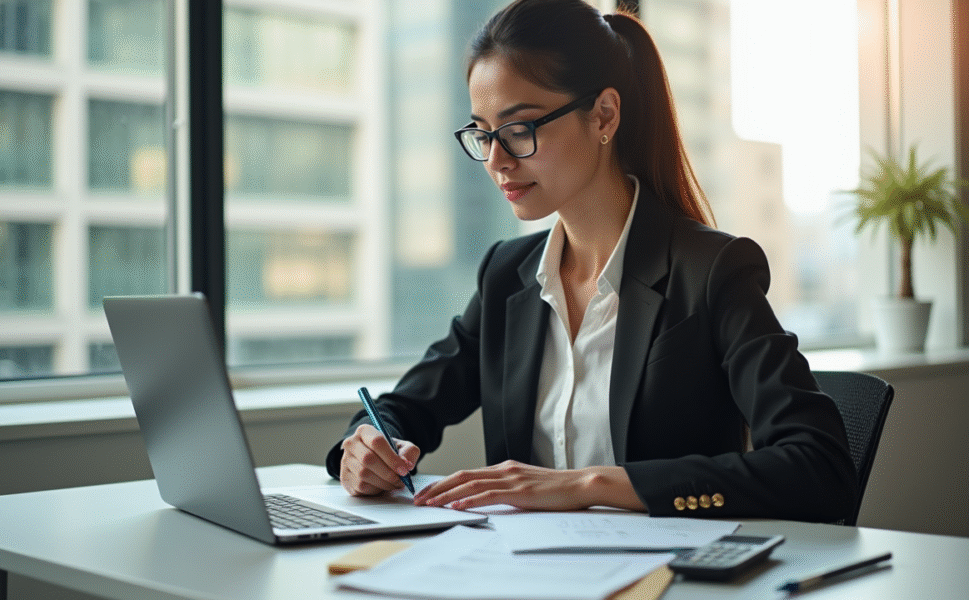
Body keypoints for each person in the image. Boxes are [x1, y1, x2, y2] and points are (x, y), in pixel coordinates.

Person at [325, 0, 858, 522]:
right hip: (523, 573)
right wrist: (368, 447)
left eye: (518, 129)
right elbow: (401, 408)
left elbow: (819, 466)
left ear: (604, 114)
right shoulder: (506, 276)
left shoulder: (711, 270)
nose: (496, 160)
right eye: (483, 134)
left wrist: (591, 483)